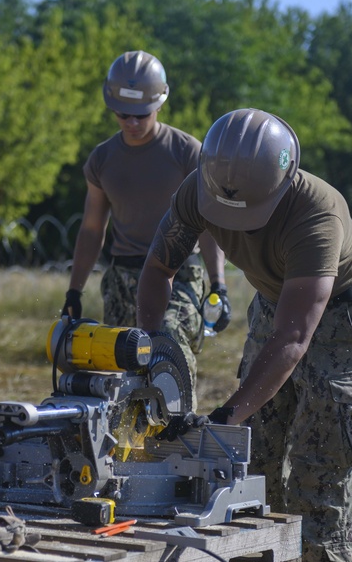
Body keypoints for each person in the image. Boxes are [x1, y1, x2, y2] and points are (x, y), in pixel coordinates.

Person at [137, 108, 352, 562]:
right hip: (275, 301)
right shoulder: (198, 188)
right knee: (252, 452)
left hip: (340, 316)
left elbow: (296, 338)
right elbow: (158, 270)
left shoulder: (315, 213)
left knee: (322, 458)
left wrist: (227, 412)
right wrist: (149, 354)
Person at [61, 51, 230, 406]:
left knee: (167, 347)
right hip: (123, 276)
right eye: (123, 114)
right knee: (121, 365)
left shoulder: (186, 152)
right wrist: (74, 292)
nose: (132, 122)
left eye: (141, 115)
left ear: (159, 105)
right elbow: (92, 230)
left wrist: (219, 286)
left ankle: (177, 430)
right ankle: (126, 449)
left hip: (178, 272)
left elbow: (207, 226)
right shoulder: (102, 159)